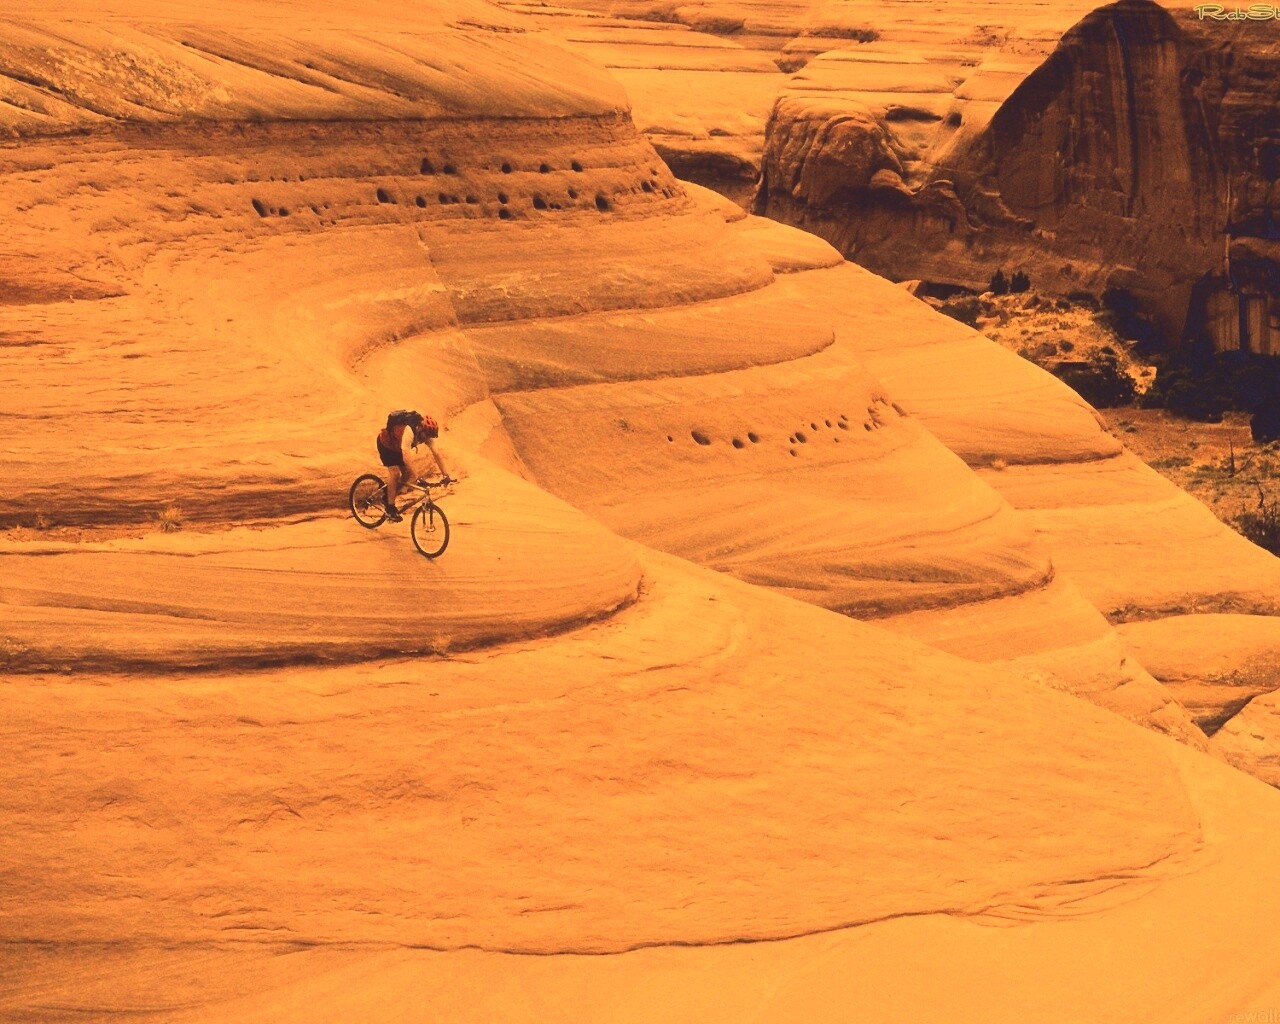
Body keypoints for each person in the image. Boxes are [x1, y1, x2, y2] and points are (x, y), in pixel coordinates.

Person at [376, 409, 451, 521]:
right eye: (426, 435)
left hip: (399, 448)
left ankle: (388, 495)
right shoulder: (409, 430)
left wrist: (446, 475)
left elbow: (436, 453)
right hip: (386, 444)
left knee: (406, 475)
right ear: (421, 429)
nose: (426, 438)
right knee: (395, 473)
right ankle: (390, 508)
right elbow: (406, 457)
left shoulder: (425, 434)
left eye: (429, 436)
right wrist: (417, 476)